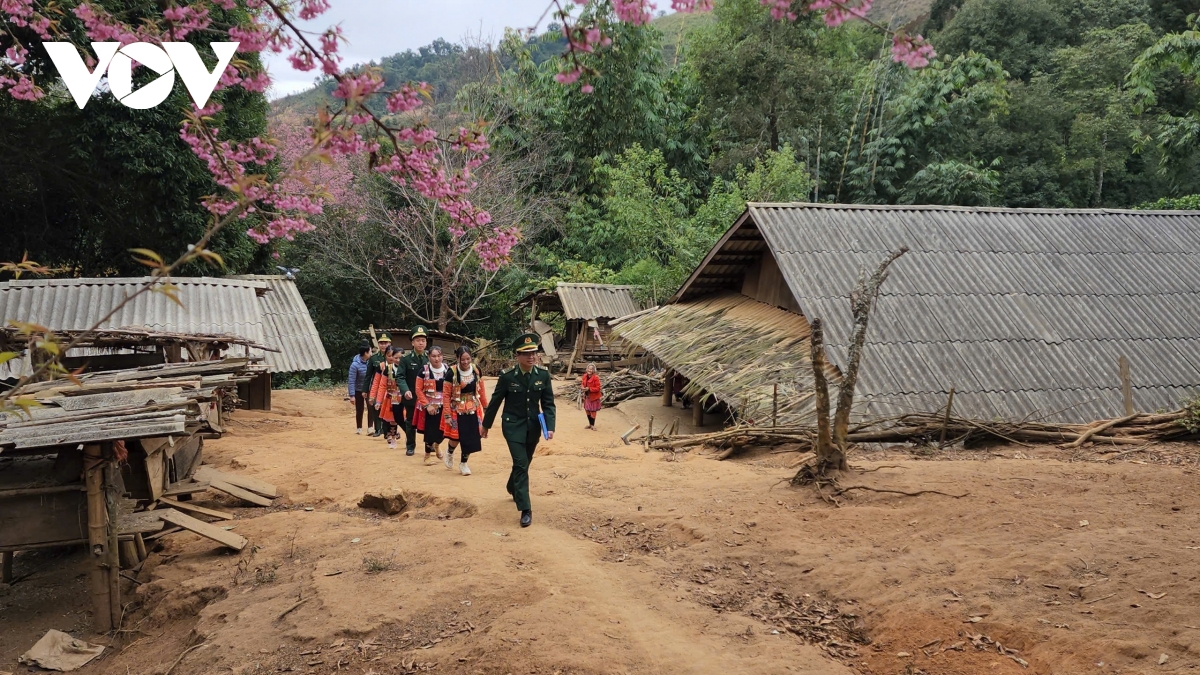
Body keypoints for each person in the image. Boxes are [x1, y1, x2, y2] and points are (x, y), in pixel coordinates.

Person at [482, 333, 555, 528]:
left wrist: (550, 427)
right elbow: (495, 402)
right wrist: (485, 425)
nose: (531, 357)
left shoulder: (543, 375)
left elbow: (548, 404)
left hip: (533, 427)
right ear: (517, 355)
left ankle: (511, 486)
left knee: (524, 462)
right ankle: (525, 509)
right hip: (512, 426)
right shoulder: (507, 377)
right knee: (521, 464)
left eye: (534, 353)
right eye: (526, 353)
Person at [441, 345, 487, 475]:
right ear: (457, 358)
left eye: (468, 359)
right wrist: (447, 415)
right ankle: (450, 451)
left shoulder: (476, 370)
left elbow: (481, 390)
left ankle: (463, 463)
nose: (466, 362)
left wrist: (486, 406)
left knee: (471, 437)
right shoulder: (451, 373)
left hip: (473, 407)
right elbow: (445, 395)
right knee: (456, 438)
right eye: (463, 359)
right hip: (457, 408)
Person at [396, 326, 430, 456]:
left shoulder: (430, 359)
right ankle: (410, 446)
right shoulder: (405, 359)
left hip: (427, 397)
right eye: (418, 340)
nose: (421, 343)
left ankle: (429, 445)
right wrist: (405, 391)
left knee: (429, 421)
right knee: (410, 421)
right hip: (411, 396)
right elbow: (400, 376)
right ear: (412, 343)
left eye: (423, 340)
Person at [415, 345, 450, 465]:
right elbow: (418, 390)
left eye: (439, 356)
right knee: (430, 431)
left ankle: (437, 445)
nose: (437, 359)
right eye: (434, 356)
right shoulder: (423, 371)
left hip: (445, 406)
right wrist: (427, 405)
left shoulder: (447, 369)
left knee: (445, 430)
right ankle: (427, 455)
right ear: (429, 357)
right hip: (430, 406)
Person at [370, 347, 402, 449]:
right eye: (390, 356)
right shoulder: (383, 367)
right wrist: (375, 398)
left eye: (396, 357)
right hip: (388, 397)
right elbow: (379, 384)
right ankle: (391, 435)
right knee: (390, 418)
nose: (393, 358)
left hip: (403, 397)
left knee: (405, 419)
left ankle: (407, 437)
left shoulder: (405, 367)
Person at [365, 334, 392, 436]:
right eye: (381, 343)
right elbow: (369, 376)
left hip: (391, 388)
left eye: (386, 343)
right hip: (378, 387)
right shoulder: (374, 358)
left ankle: (388, 430)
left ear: (390, 343)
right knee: (376, 407)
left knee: (388, 409)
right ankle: (377, 429)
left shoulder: (396, 357)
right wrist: (365, 390)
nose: (383, 345)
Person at [348, 342, 372, 434]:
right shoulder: (354, 365)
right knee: (359, 408)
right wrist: (352, 395)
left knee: (371, 407)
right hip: (358, 390)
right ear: (366, 353)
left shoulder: (371, 362)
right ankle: (359, 428)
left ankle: (370, 428)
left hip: (369, 389)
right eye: (370, 351)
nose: (371, 353)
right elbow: (351, 380)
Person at [581, 362, 602, 430]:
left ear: (594, 370)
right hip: (587, 396)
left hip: (593, 397)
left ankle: (592, 425)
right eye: (589, 369)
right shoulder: (584, 376)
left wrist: (589, 389)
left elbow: (598, 388)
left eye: (591, 369)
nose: (590, 370)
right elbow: (582, 384)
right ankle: (590, 424)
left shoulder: (596, 378)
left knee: (593, 411)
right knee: (587, 410)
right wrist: (582, 387)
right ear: (587, 369)